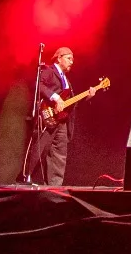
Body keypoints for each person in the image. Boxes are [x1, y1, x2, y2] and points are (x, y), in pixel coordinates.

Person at [18, 47, 95, 185]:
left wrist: (88, 97)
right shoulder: (49, 71)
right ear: (59, 58)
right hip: (47, 115)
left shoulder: (66, 80)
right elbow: (38, 85)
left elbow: (71, 102)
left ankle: (55, 186)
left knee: (59, 154)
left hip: (62, 120)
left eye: (72, 59)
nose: (72, 62)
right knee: (39, 148)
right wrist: (55, 97)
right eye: (69, 58)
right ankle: (25, 178)